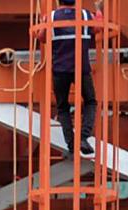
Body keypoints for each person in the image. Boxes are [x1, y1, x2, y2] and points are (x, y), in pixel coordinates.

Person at [51, 0, 98, 158]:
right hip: (81, 68)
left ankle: (71, 143)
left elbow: (42, 37)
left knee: (63, 107)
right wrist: (98, 11)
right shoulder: (86, 15)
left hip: (59, 70)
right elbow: (97, 28)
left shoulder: (51, 17)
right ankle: (83, 137)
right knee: (91, 101)